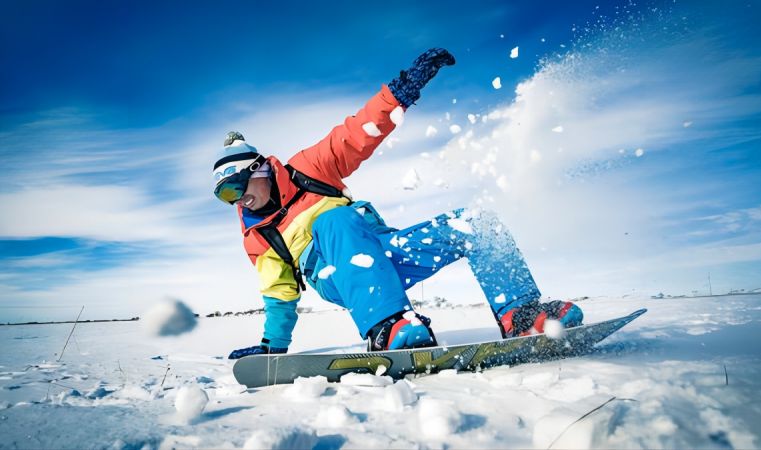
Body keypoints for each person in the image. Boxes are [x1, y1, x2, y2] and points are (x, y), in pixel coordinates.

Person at [212, 48, 583, 359]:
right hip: (336, 274)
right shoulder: (258, 237)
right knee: (334, 221)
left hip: (382, 253)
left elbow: (353, 136)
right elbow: (279, 293)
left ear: (259, 169)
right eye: (225, 195)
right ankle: (386, 326)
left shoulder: (307, 169)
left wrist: (400, 93)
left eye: (236, 187)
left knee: (473, 222)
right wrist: (271, 347)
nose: (237, 201)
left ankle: (520, 314)